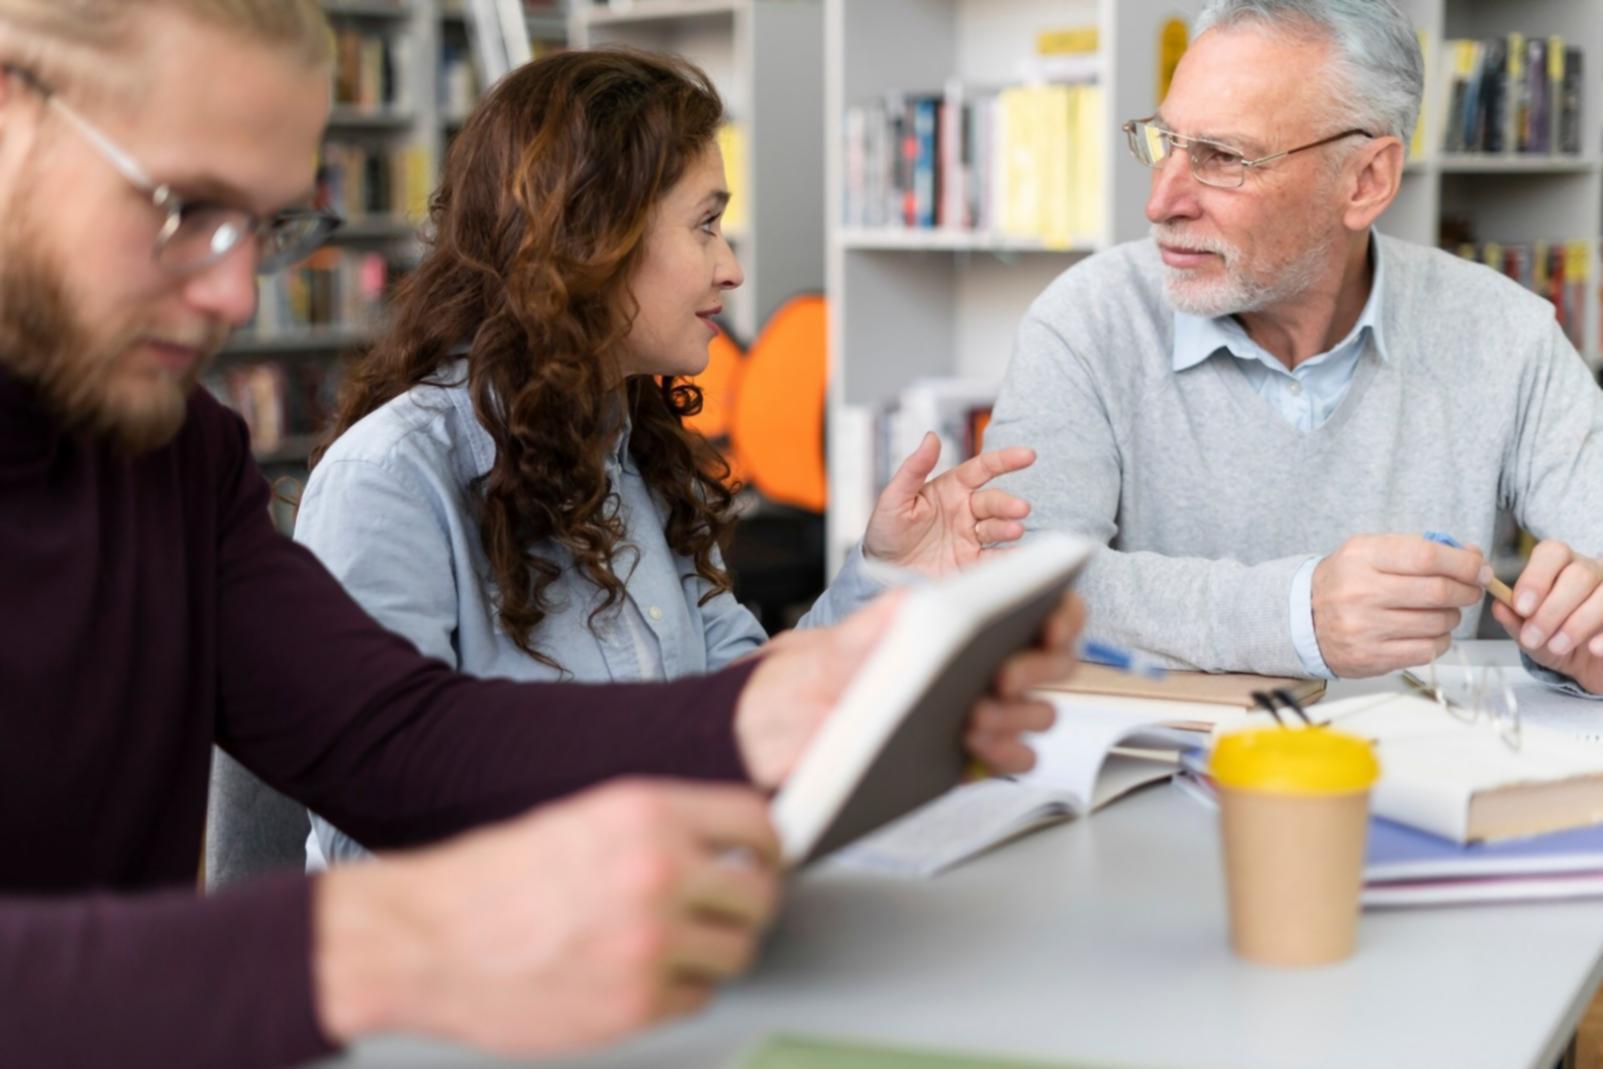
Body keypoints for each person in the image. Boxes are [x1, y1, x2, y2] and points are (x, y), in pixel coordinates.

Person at [0, 3, 1083, 1067]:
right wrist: (389, 940)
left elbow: (391, 739)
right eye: (186, 206)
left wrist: (782, 706)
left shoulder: (176, 454)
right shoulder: (386, 470)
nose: (235, 293)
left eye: (267, 228)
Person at [293, 48, 1041, 867]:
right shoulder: (389, 480)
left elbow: (743, 706)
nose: (731, 268)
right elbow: (370, 842)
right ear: (592, 237)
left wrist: (888, 575)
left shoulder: (629, 448)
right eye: (705, 225)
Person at [985, 0, 1603, 692]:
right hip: (1158, 758)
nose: (1161, 202)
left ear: (1366, 181)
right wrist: (1295, 616)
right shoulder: (1086, 318)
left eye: (1222, 157)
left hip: (1418, 754)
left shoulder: (1506, 333)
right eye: (1165, 141)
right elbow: (1023, 587)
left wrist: (1583, 640)